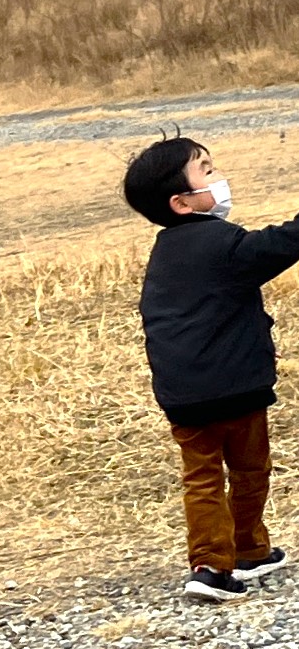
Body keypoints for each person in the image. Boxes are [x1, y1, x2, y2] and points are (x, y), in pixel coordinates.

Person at [123, 134, 292, 602]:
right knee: (250, 470)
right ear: (181, 202)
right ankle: (226, 561)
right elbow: (277, 246)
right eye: (209, 172)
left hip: (182, 394)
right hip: (236, 388)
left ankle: (230, 557)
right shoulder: (220, 242)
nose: (220, 179)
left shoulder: (165, 253)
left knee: (202, 478)